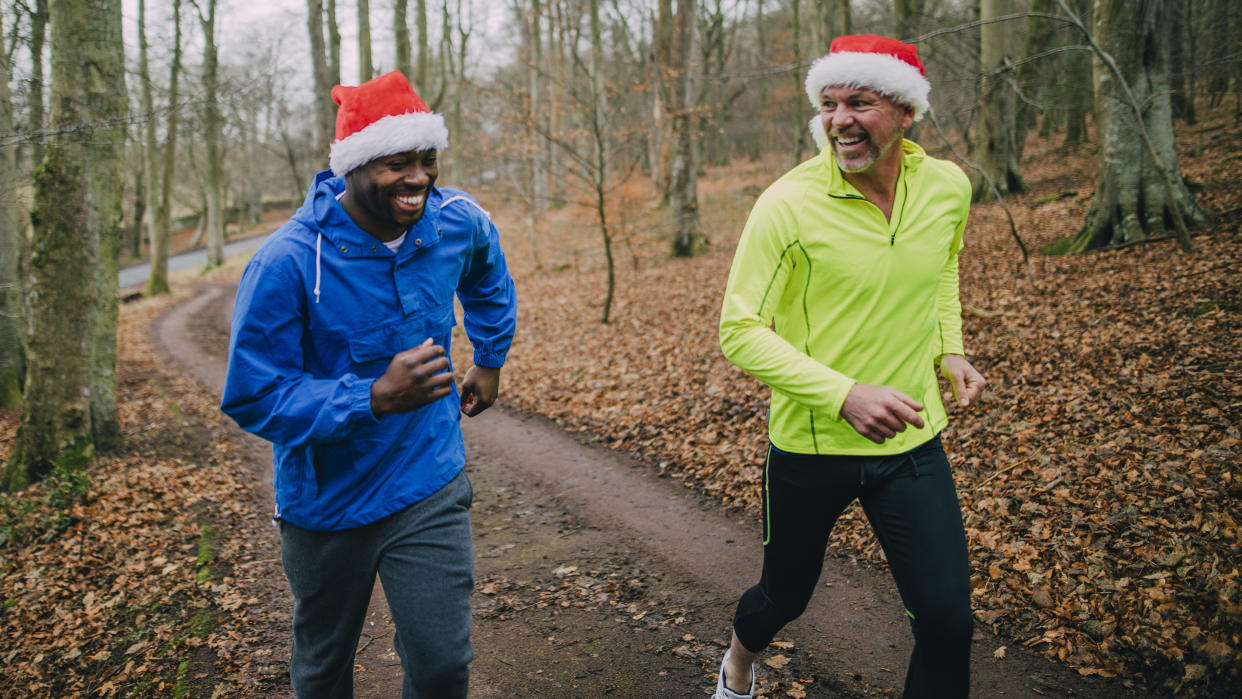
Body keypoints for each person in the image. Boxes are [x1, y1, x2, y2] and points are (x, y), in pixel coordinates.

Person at [221, 70, 517, 698]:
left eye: (426, 159)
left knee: (441, 666)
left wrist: (489, 358)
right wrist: (372, 396)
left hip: (427, 479)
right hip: (326, 505)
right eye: (396, 163)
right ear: (353, 167)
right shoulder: (287, 262)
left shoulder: (455, 220)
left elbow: (487, 274)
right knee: (324, 668)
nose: (419, 178)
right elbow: (253, 393)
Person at [713, 35, 986, 699]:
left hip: (912, 437)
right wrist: (843, 394)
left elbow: (941, 265)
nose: (839, 120)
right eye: (829, 104)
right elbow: (738, 329)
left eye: (859, 102)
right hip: (811, 445)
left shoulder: (948, 187)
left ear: (905, 113)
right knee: (785, 596)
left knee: (948, 619)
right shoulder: (789, 203)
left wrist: (949, 345)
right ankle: (737, 665)